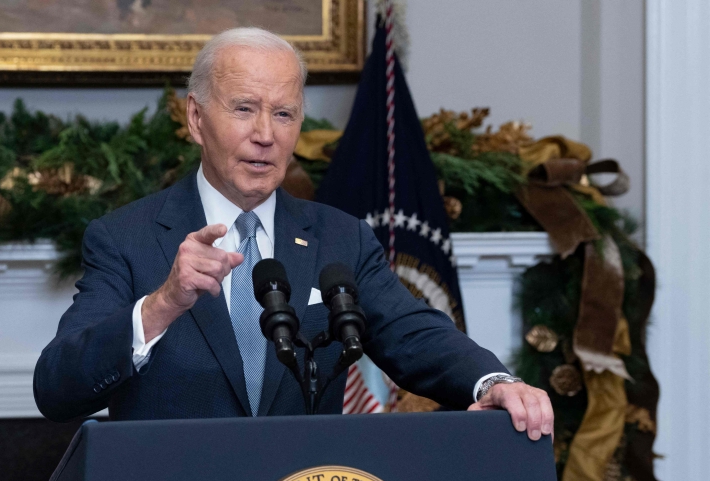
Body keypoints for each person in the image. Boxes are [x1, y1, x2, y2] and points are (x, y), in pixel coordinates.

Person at [34, 28, 554, 440]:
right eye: (244, 108)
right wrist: (163, 304)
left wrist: (497, 382)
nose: (265, 134)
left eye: (283, 114)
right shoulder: (126, 237)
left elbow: (415, 333)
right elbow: (58, 389)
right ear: (196, 118)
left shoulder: (339, 237)